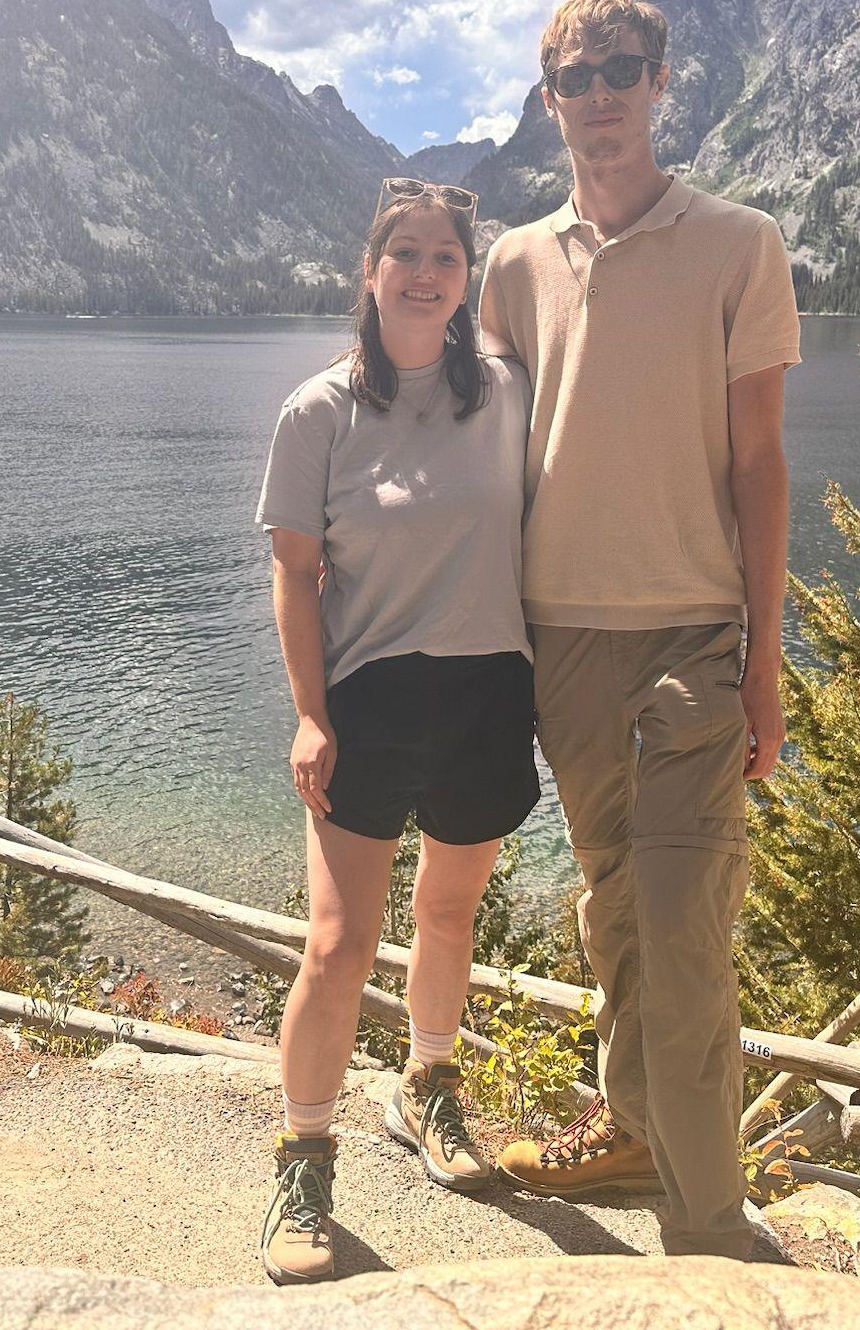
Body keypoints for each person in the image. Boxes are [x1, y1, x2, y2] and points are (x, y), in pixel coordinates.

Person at [481, 0, 800, 1261]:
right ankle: (629, 1131)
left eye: (624, 68)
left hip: (689, 642)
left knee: (682, 925)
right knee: (615, 903)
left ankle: (714, 1229)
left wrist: (763, 661)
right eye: (575, 74)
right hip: (559, 641)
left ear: (664, 82)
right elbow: (481, 458)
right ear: (547, 95)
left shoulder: (739, 244)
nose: (600, 92)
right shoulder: (511, 264)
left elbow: (762, 466)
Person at [254, 179, 540, 1285]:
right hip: (367, 698)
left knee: (451, 914)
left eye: (447, 259)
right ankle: (304, 1159)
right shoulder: (318, 410)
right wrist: (310, 715)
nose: (426, 274)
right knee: (336, 947)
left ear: (468, 281)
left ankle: (425, 1090)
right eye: (405, 254)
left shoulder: (508, 391)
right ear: (369, 272)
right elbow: (292, 578)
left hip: (487, 692)